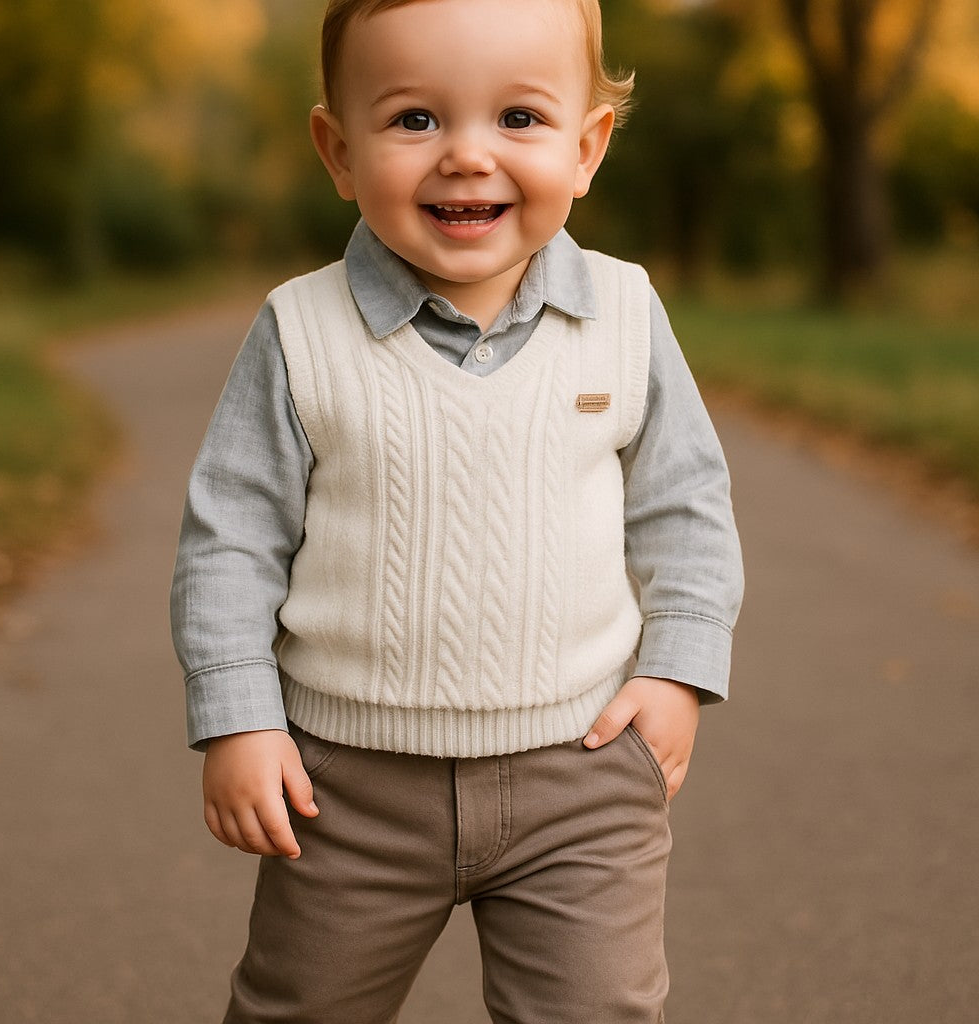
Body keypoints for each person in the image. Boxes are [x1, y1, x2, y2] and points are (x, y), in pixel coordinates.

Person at [170, 0, 744, 1020]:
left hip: (580, 773)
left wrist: (676, 666)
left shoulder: (622, 313)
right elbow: (232, 537)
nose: (466, 156)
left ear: (587, 146)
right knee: (299, 1008)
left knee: (596, 1009)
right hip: (344, 787)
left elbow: (683, 503)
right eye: (415, 120)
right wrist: (237, 715)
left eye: (517, 119)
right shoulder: (302, 330)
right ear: (338, 151)